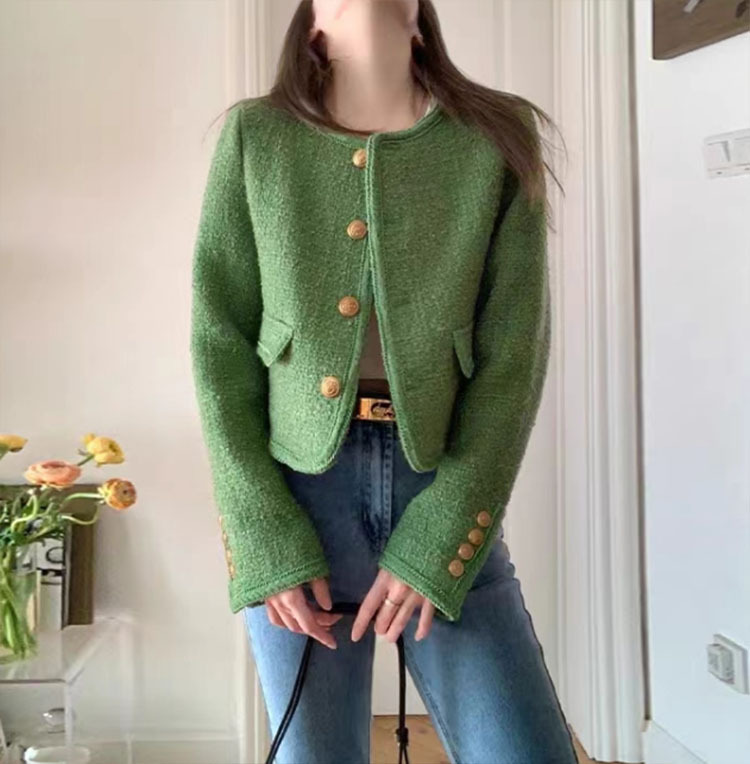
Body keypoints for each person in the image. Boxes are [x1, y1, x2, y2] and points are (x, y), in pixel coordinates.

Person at [190, 1, 576, 762]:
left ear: (421, 17)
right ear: (311, 27)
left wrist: (449, 525)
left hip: (441, 483)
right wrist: (259, 529)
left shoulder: (496, 136)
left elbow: (513, 354)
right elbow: (218, 343)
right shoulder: (255, 136)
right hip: (297, 498)